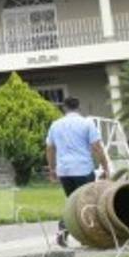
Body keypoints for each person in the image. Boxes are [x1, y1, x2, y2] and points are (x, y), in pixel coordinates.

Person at [46, 96, 113, 247]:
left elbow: (50, 148)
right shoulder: (87, 123)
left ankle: (65, 231)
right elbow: (96, 147)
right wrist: (105, 166)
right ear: (78, 107)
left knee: (72, 202)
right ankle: (84, 235)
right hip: (83, 169)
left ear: (64, 107)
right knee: (86, 203)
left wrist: (52, 169)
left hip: (64, 170)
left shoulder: (55, 125)